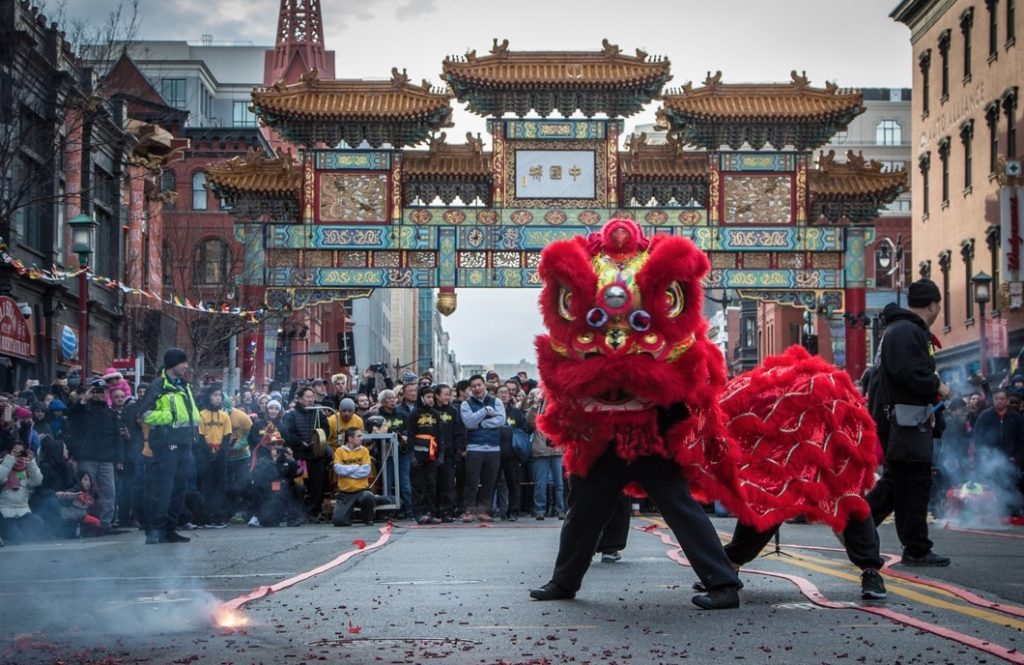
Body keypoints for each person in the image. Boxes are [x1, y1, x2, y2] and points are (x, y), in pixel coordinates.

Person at [866, 279, 952, 567]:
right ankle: (914, 547)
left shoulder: (901, 329)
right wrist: (936, 385)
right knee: (912, 483)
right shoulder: (906, 332)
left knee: (899, 484)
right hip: (907, 422)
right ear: (933, 304)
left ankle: (859, 528)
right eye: (939, 304)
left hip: (904, 421)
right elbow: (909, 374)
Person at [139, 347, 201, 545]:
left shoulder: (185, 385)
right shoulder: (158, 385)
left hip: (184, 443)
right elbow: (146, 414)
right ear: (173, 364)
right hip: (166, 444)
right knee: (162, 489)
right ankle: (154, 530)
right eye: (182, 362)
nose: (186, 366)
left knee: (178, 489)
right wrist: (170, 417)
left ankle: (170, 529)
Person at [66, 380, 120, 533]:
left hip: (106, 459)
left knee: (109, 492)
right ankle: (85, 522)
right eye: (96, 391)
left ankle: (105, 524)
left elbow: (117, 437)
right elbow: (72, 414)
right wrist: (84, 399)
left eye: (102, 392)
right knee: (84, 491)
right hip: (87, 457)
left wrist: (118, 458)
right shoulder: (84, 410)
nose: (99, 395)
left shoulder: (111, 413)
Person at [280, 386, 330, 522]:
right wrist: (301, 443)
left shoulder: (318, 413)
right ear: (300, 398)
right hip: (299, 456)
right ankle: (298, 513)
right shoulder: (291, 415)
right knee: (300, 485)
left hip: (316, 455)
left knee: (316, 486)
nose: (310, 399)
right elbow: (288, 433)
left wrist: (318, 440)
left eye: (311, 397)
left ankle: (314, 512)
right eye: (307, 397)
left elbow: (326, 429)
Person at [459, 374, 505, 522]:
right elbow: (469, 422)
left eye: (479, 385)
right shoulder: (466, 404)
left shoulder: (496, 401)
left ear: (484, 385)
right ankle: (468, 511)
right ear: (470, 389)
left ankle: (484, 511)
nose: (477, 388)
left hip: (493, 448)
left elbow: (500, 420)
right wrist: (485, 411)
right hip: (474, 447)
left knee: (489, 482)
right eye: (473, 386)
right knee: (471, 481)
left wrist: (483, 424)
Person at [197, 384, 233, 527]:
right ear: (208, 397)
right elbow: (200, 436)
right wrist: (208, 452)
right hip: (205, 455)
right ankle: (206, 517)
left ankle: (219, 516)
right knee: (206, 487)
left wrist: (221, 452)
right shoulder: (201, 415)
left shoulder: (224, 416)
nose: (218, 398)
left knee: (220, 486)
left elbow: (227, 435)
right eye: (215, 395)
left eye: (220, 396)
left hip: (221, 455)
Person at [526, 391, 564, 521]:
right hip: (541, 450)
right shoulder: (537, 410)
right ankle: (540, 510)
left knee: (559, 483)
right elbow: (530, 422)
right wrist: (536, 405)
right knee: (540, 483)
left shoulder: (559, 409)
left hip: (556, 450)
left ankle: (561, 509)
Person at [408, 385, 442, 524]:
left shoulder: (435, 414)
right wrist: (411, 455)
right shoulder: (414, 413)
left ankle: (431, 512)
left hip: (432, 453)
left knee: (432, 484)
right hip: (418, 453)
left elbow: (440, 435)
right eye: (428, 397)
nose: (431, 399)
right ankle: (419, 513)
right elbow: (410, 435)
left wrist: (441, 454)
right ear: (422, 398)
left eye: (432, 397)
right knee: (418, 485)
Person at [0, 442, 45, 544]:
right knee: (18, 538)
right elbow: (1, 477)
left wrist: (31, 462)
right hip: (4, 512)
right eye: (16, 451)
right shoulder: (3, 465)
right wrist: (10, 459)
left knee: (38, 524)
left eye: (21, 451)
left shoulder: (24, 470)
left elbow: (37, 481)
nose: (19, 454)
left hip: (22, 512)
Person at [332, 427, 376, 526]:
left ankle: (367, 518)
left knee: (368, 496)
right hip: (344, 494)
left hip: (361, 492)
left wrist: (347, 472)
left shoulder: (364, 450)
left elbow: (366, 471)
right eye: (358, 436)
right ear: (350, 439)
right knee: (339, 521)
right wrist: (356, 467)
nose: (361, 438)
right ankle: (348, 515)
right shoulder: (340, 451)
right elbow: (338, 470)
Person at [433, 383, 465, 522]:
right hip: (432, 454)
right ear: (437, 395)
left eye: (449, 394)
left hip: (449, 454)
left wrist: (458, 450)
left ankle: (447, 511)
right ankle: (434, 511)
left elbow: (459, 432)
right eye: (445, 394)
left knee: (448, 484)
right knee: (433, 483)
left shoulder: (453, 411)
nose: (448, 397)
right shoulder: (430, 411)